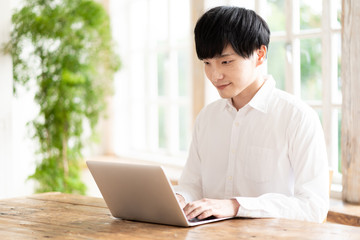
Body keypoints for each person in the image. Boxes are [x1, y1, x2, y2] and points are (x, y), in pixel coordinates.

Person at [174, 6, 329, 223]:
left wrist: (236, 206)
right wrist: (179, 198)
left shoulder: (297, 117)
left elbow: (314, 207)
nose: (215, 75)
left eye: (226, 61)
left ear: (260, 54)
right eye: (207, 63)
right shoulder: (207, 118)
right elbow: (193, 185)